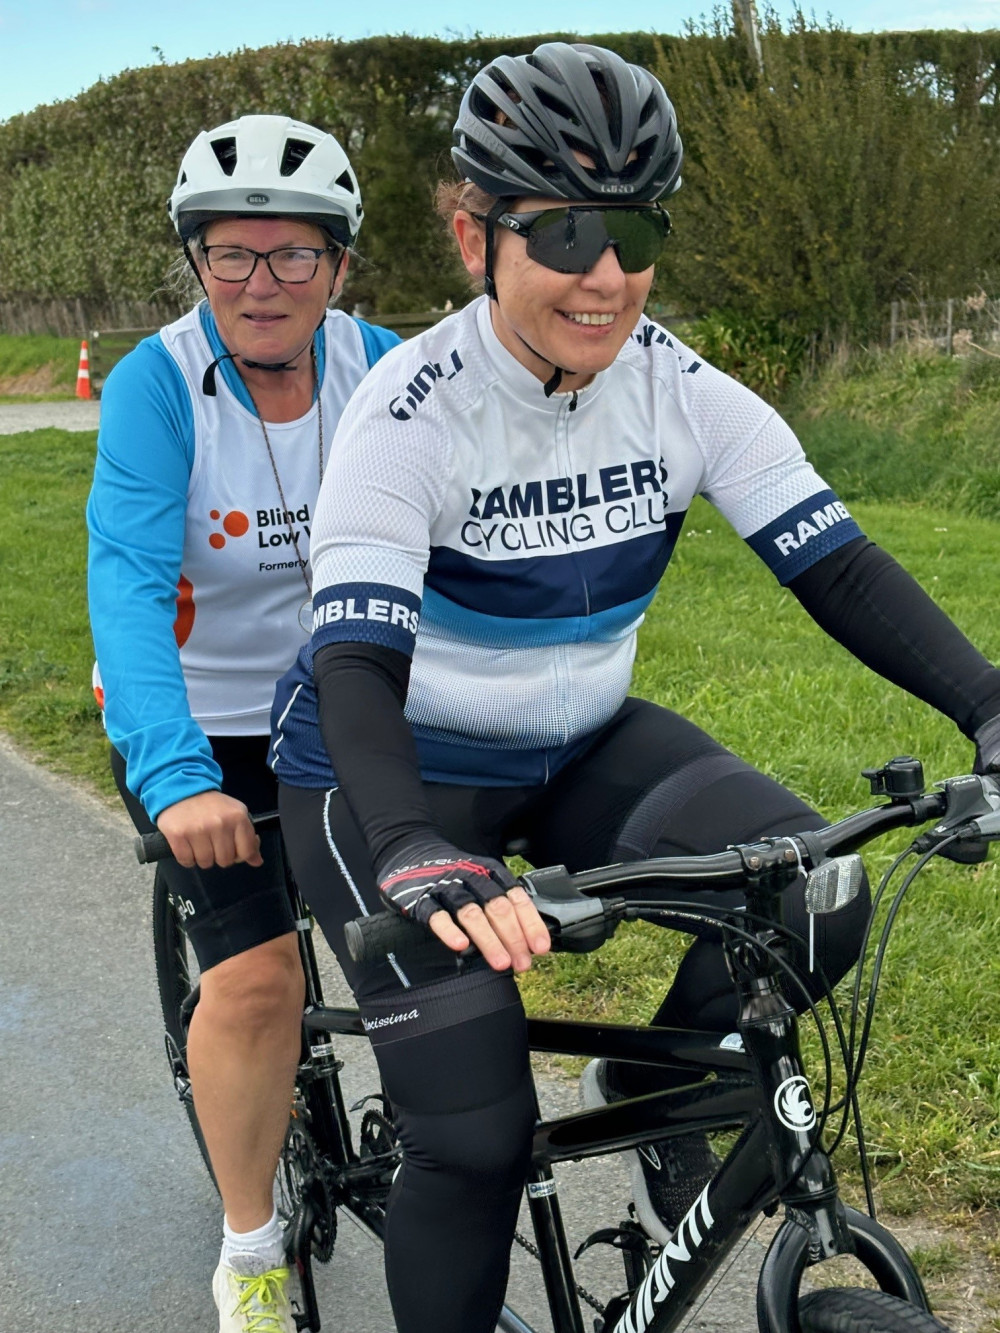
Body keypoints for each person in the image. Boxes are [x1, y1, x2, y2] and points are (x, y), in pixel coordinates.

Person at [268, 43, 1000, 1333]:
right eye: (561, 230)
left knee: (815, 900)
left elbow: (840, 570)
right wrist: (408, 849)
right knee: (479, 1133)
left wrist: (989, 704)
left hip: (578, 745)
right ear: (469, 233)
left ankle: (661, 1084)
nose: (605, 276)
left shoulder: (681, 390)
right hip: (380, 771)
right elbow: (357, 666)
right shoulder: (407, 413)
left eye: (636, 228)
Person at [86, 114, 400, 1333]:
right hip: (199, 721)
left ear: (337, 264)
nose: (261, 285)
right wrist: (173, 779)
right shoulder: (157, 386)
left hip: (343, 705)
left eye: (292, 256)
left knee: (424, 936)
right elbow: (123, 580)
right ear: (195, 262)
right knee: (262, 980)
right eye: (231, 256)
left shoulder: (385, 370)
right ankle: (251, 1247)